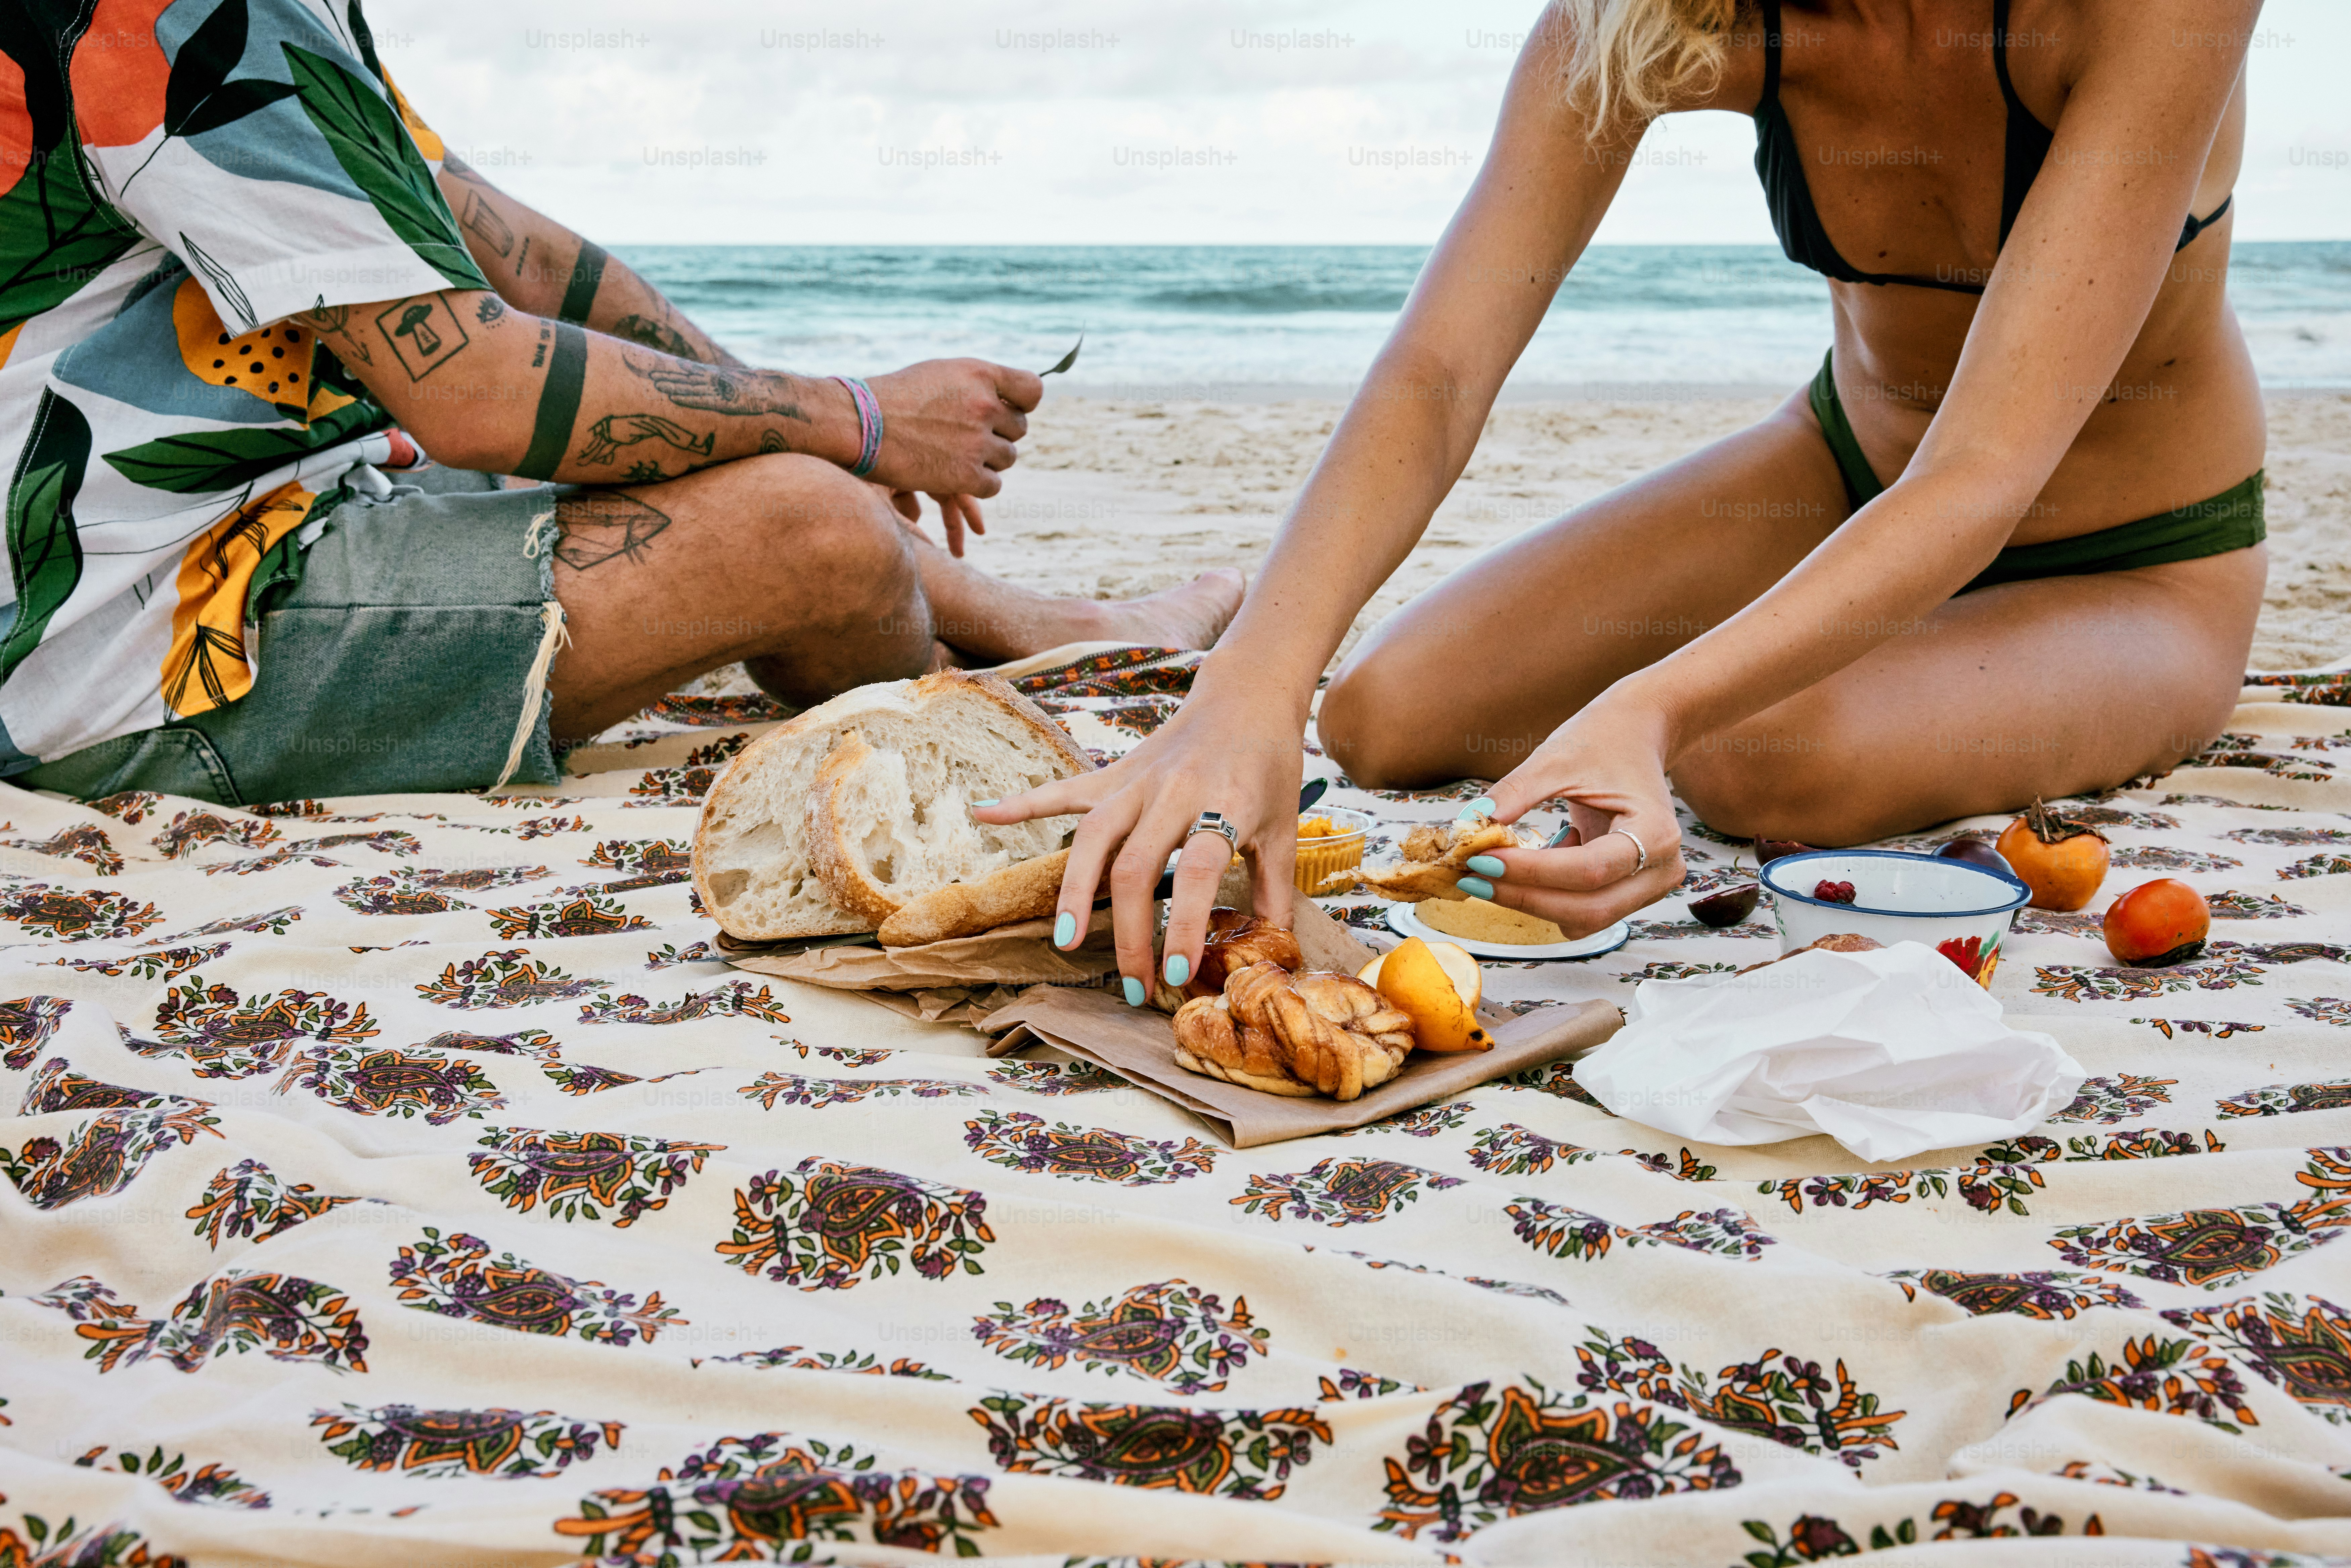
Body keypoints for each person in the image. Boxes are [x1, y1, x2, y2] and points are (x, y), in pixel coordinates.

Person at [986, 0, 2264, 1003]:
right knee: (1379, 715)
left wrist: (1649, 709)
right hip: (1843, 471)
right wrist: (1253, 688)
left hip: (2132, 559)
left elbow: (1983, 474)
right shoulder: (1660, 18)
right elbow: (1438, 375)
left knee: (1752, 759)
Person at [1, 1, 1238, 805]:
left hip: (262, 504)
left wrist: (832, 421)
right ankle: (924, 657)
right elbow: (479, 392)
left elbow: (517, 257)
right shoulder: (177, 16)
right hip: (112, 658)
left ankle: (1037, 620)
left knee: (728, 451)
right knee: (818, 533)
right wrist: (857, 423)